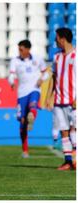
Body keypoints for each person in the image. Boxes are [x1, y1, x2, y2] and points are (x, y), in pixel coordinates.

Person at [7, 40, 49, 158]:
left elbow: (46, 73)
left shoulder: (38, 59)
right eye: (19, 49)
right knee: (22, 122)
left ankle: (32, 117)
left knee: (33, 105)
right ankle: (25, 150)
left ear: (28, 49)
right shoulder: (15, 61)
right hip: (21, 93)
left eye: (21, 49)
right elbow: (11, 74)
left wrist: (42, 79)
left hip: (35, 89)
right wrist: (11, 82)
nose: (19, 52)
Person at [46, 27, 76, 170]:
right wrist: (49, 96)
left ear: (62, 39)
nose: (55, 41)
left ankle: (75, 157)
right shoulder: (57, 57)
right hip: (59, 101)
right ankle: (68, 161)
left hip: (73, 101)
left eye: (56, 38)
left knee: (74, 130)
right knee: (64, 130)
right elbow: (54, 77)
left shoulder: (76, 56)